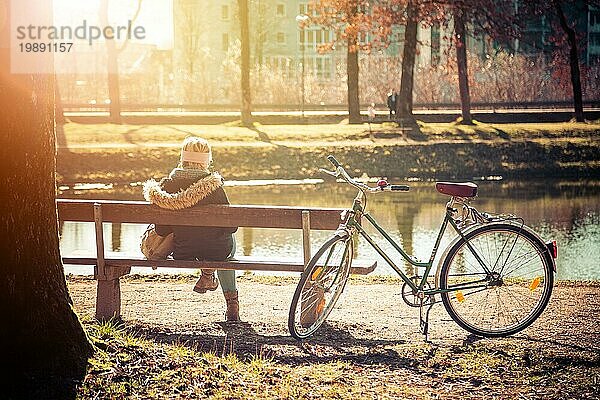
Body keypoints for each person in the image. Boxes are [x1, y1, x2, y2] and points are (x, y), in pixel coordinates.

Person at [143, 136, 240, 322]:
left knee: (205, 241)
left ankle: (207, 276)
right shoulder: (214, 186)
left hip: (184, 251)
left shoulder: (167, 187)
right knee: (227, 248)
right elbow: (232, 226)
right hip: (218, 251)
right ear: (207, 161)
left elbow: (162, 231)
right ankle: (232, 305)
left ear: (183, 158)